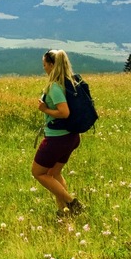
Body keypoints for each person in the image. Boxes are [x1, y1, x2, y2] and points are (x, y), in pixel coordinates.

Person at [32, 49, 85, 216]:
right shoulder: (68, 82)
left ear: (52, 65)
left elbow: (64, 112)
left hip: (57, 139)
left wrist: (45, 109)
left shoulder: (55, 86)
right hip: (71, 137)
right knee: (53, 173)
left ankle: (72, 203)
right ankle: (63, 210)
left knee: (38, 173)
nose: (44, 68)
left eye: (45, 65)